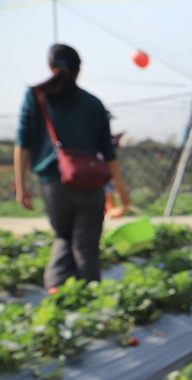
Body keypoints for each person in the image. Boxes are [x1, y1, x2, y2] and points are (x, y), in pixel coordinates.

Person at [13, 44, 129, 291]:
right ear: (79, 70)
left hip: (54, 183)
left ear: (50, 67)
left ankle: (57, 290)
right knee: (85, 244)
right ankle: (91, 298)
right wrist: (120, 189)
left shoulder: (35, 97)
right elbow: (108, 153)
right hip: (90, 182)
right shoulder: (93, 104)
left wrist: (21, 188)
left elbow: (21, 144)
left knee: (64, 236)